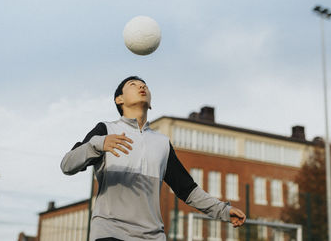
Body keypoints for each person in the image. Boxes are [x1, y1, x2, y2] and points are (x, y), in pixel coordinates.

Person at [60, 76, 246, 241]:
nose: (142, 87)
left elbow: (188, 190)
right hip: (110, 232)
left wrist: (223, 210)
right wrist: (97, 144)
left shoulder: (162, 143)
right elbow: (67, 165)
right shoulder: (106, 131)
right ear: (119, 99)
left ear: (150, 103)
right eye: (133, 85)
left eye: (145, 86)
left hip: (152, 235)